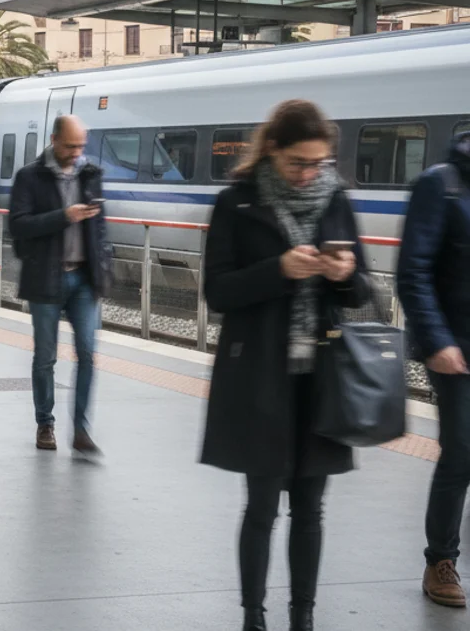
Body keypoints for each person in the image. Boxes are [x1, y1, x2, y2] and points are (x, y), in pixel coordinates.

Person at [201, 100, 370, 631]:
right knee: (261, 506)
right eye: (299, 162)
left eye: (319, 163)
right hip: (260, 377)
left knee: (311, 509)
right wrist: (278, 270)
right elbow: (218, 291)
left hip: (321, 379)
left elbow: (361, 290)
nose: (308, 174)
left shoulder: (335, 199)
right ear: (272, 149)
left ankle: (303, 616)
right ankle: (253, 616)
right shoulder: (236, 201)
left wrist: (345, 275)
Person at [397, 130, 470, 609]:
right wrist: (437, 340)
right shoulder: (441, 184)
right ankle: (440, 560)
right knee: (462, 451)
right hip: (456, 347)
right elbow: (414, 272)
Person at [8, 115, 110, 456]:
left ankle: (81, 430)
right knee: (45, 358)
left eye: (81, 146)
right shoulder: (29, 177)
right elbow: (18, 226)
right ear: (53, 140)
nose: (77, 152)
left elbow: (100, 228)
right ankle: (45, 424)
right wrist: (64, 216)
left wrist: (103, 270)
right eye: (70, 146)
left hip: (84, 280)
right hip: (45, 277)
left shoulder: (91, 175)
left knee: (87, 354)